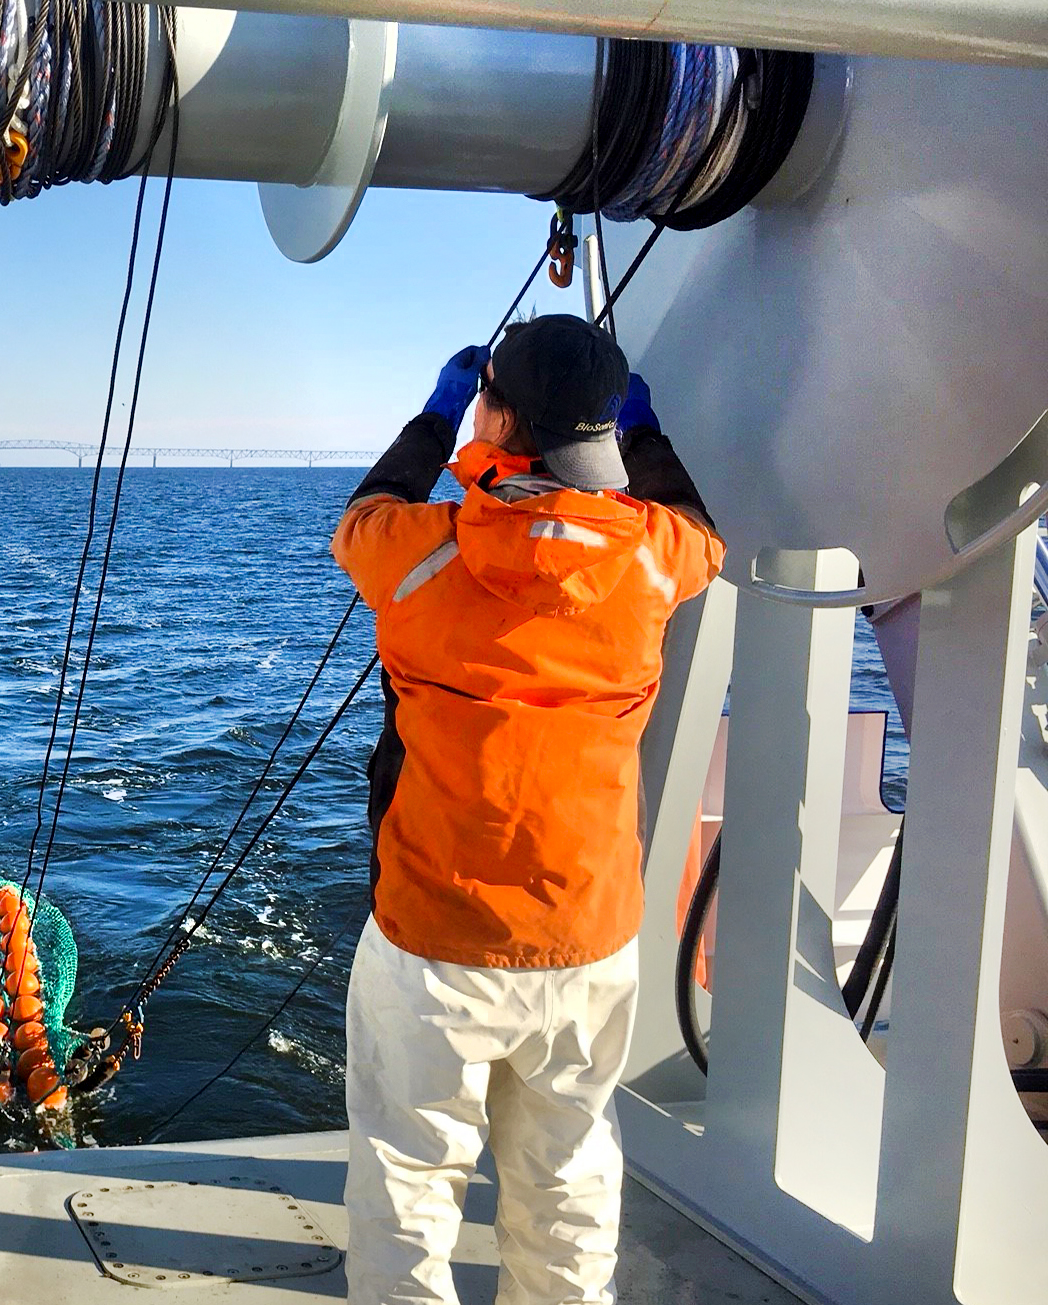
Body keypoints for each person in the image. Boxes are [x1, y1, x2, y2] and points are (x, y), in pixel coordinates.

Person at [330, 314, 722, 1305]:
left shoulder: (415, 554)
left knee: (409, 1176)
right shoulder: (653, 561)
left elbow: (362, 515)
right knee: (569, 1174)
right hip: (587, 938)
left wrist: (434, 418)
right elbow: (699, 528)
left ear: (495, 418)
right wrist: (646, 433)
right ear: (600, 438)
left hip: (433, 937)